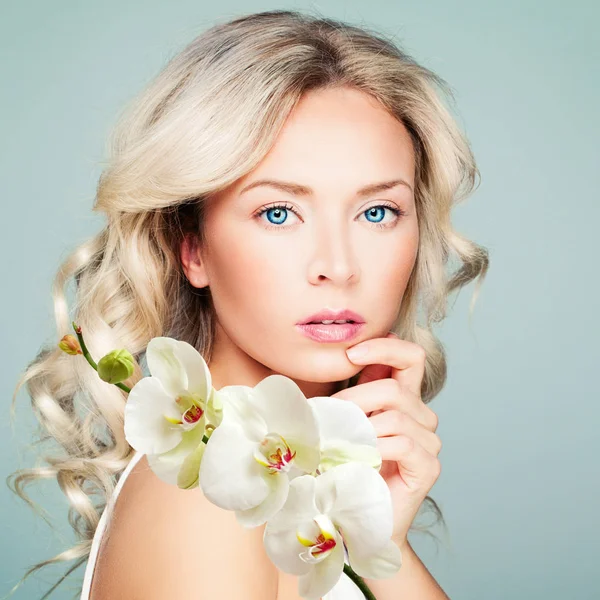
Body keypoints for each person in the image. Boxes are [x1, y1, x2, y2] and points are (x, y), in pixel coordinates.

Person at [8, 8, 489, 600]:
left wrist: (375, 545)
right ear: (193, 250)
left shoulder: (294, 504)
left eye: (377, 212)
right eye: (278, 213)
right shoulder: (206, 508)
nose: (338, 266)